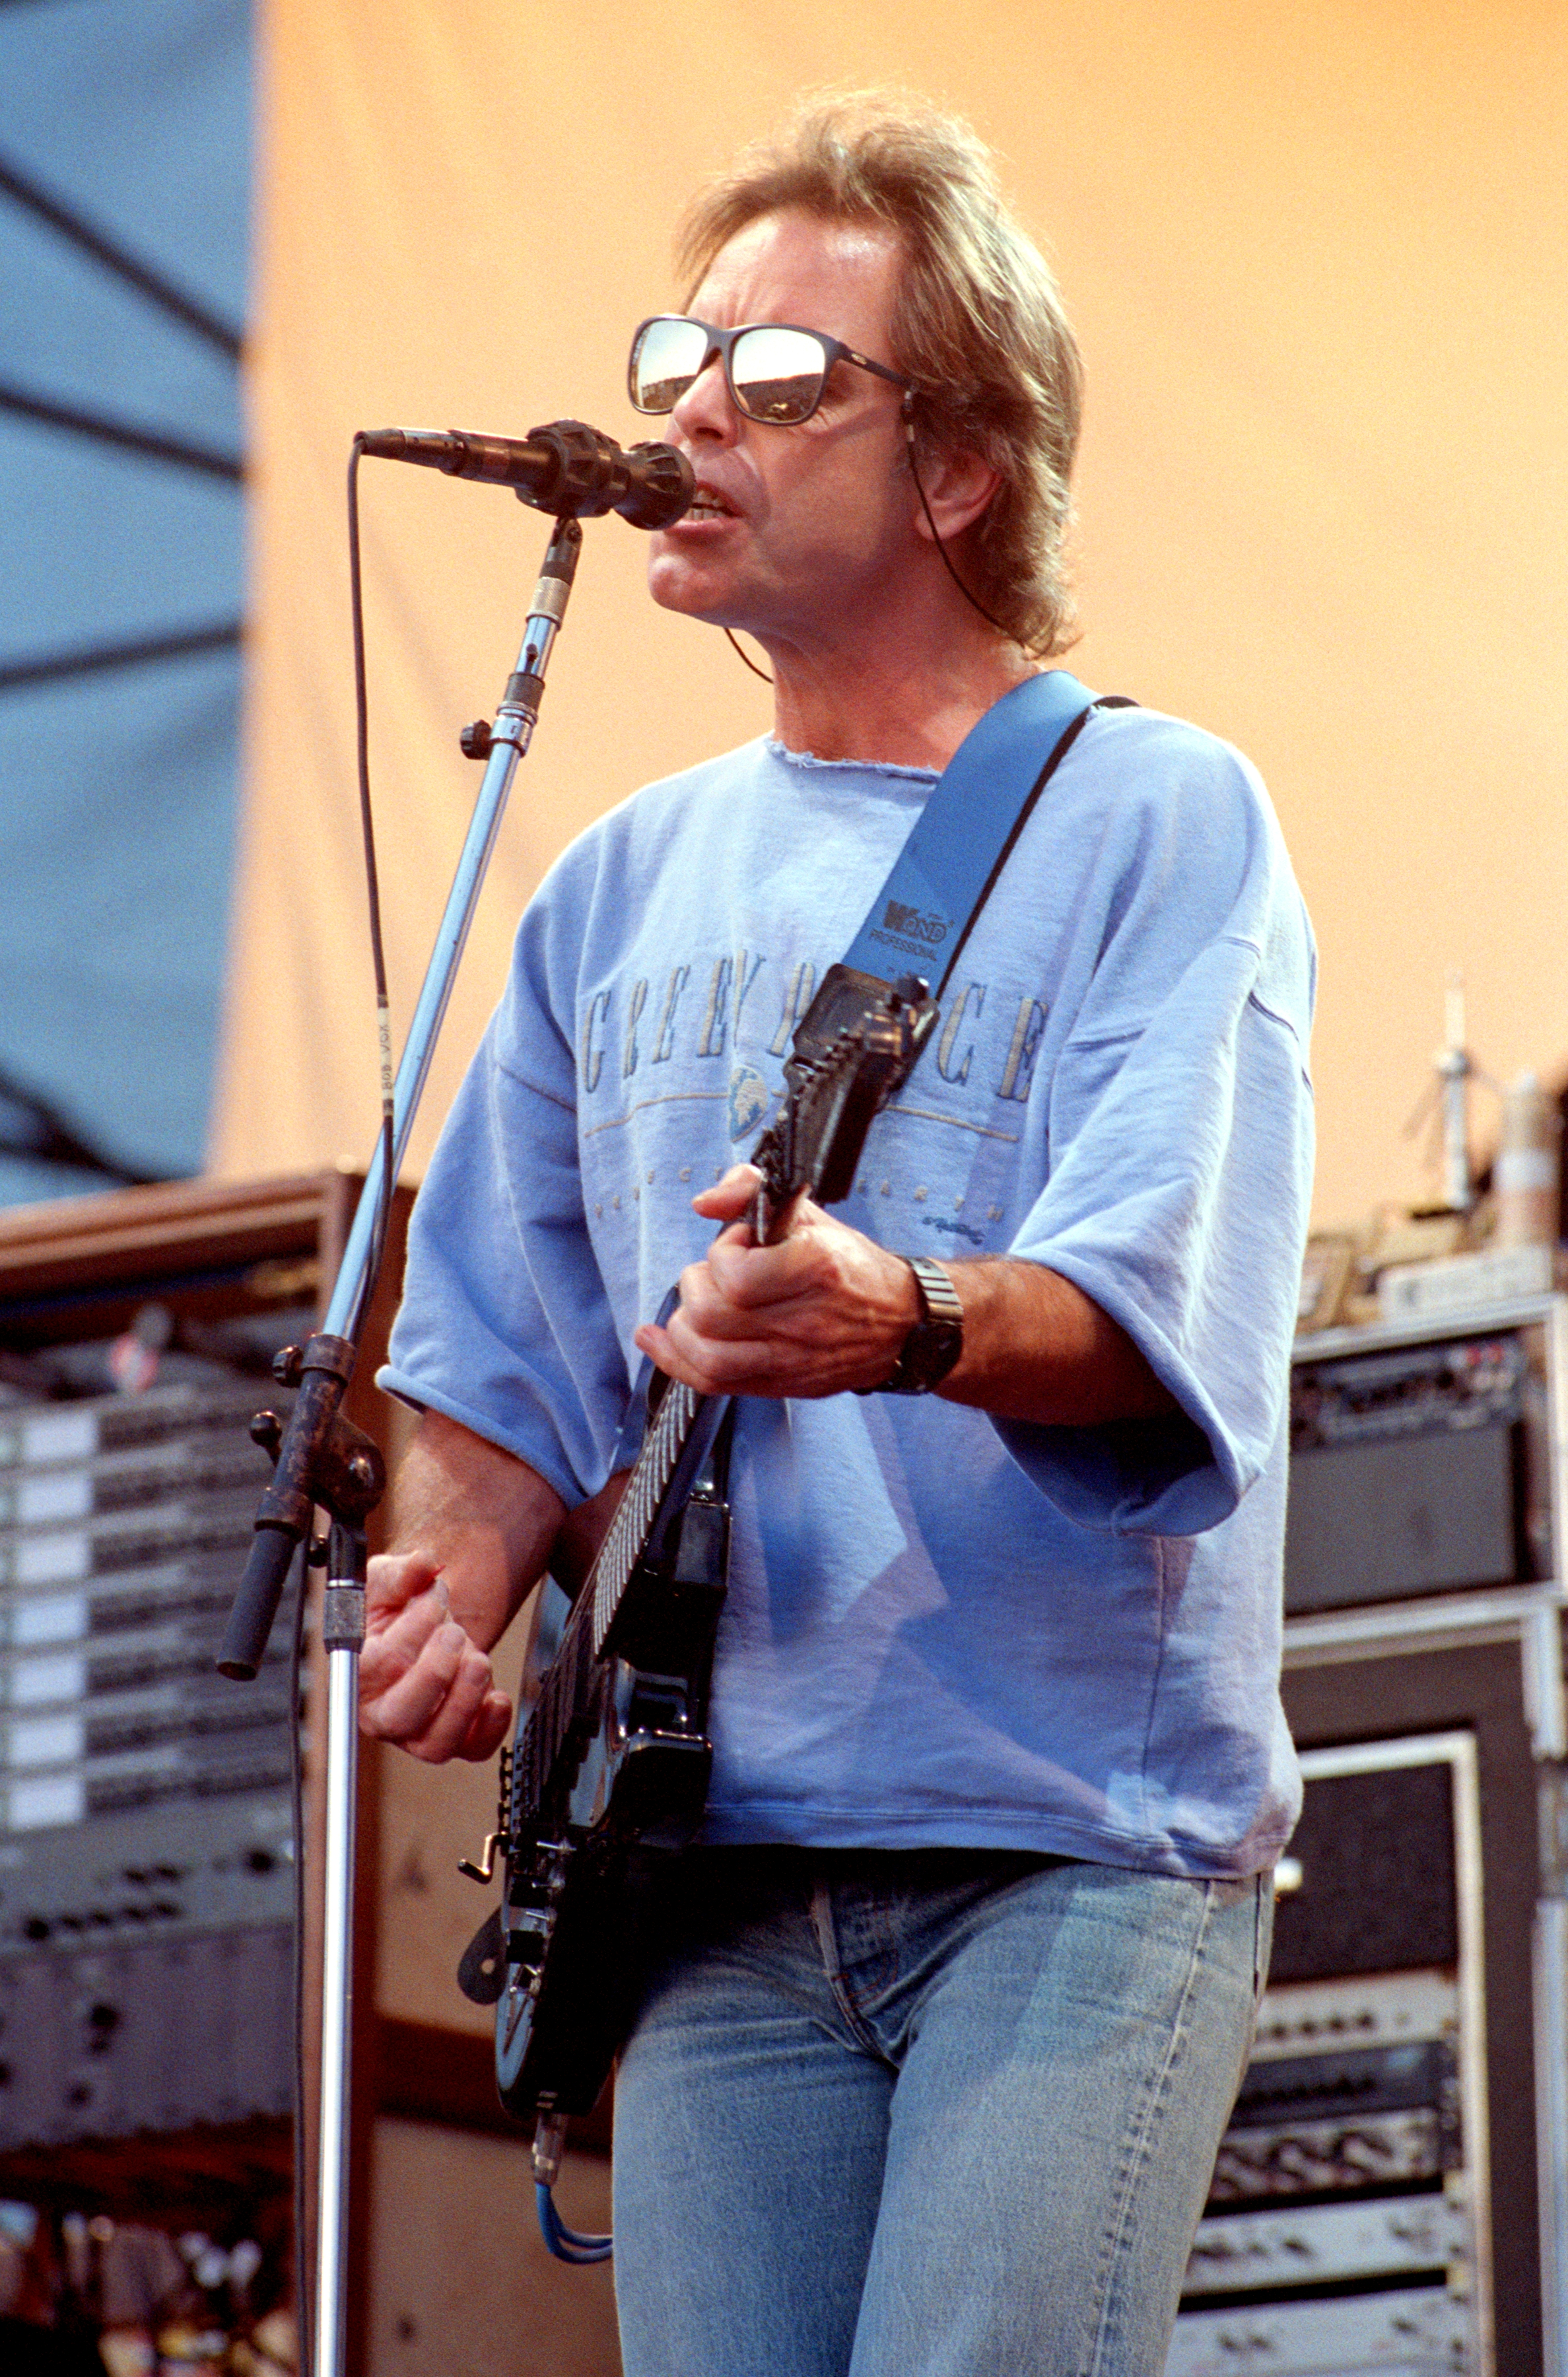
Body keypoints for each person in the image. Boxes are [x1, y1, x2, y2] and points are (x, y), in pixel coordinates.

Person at [360, 93, 1315, 2377]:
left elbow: (1155, 1313)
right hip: (704, 1865)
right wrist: (452, 1585)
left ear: (958, 467)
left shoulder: (1155, 815)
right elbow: (499, 1365)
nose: (694, 410)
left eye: (781, 376)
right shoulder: (607, 881)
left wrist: (898, 1316)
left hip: (1064, 1855)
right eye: (680, 356)